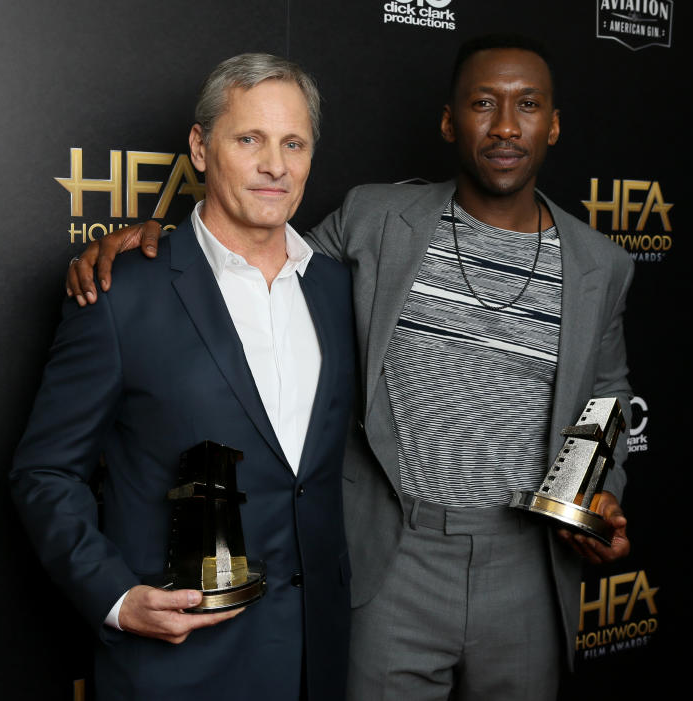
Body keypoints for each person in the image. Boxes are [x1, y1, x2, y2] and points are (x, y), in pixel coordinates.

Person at [66, 35, 633, 701]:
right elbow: (251, 248)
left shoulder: (600, 263)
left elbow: (608, 395)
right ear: (450, 121)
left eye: (528, 105)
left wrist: (603, 493)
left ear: (554, 123)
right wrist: (143, 238)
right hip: (392, 558)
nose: (506, 125)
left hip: (527, 562)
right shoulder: (374, 220)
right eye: (483, 104)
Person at [12, 53, 355, 701]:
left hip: (318, 660)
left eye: (293, 143)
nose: (274, 165)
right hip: (178, 666)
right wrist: (114, 596)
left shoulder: (338, 287)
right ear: (200, 147)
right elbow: (44, 471)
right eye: (248, 138)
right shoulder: (122, 291)